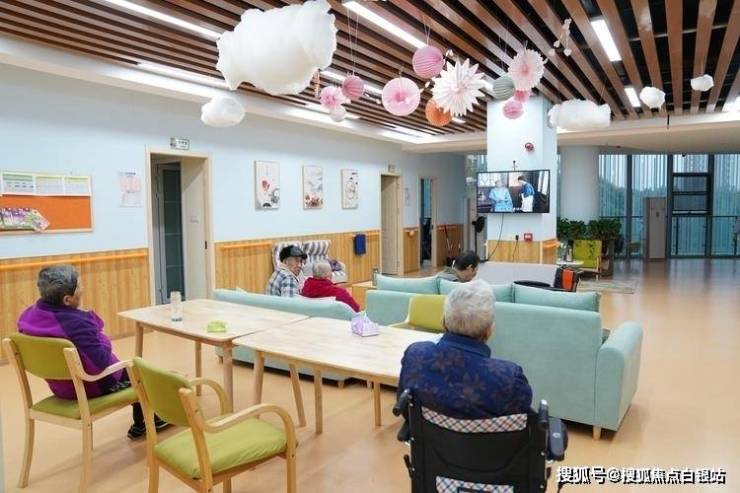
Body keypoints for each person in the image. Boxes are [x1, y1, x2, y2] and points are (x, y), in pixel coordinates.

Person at [16, 265, 168, 440]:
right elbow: (101, 361)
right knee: (140, 371)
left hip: (61, 387)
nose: (83, 289)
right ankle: (149, 422)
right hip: (90, 386)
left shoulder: (27, 316)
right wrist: (100, 334)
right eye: (79, 286)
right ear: (67, 300)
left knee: (131, 371)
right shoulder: (77, 324)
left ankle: (144, 420)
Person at [398, 280, 532, 419]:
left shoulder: (415, 355)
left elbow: (404, 408)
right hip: (484, 434)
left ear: (443, 322)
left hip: (423, 433)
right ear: (489, 331)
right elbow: (522, 424)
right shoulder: (509, 378)